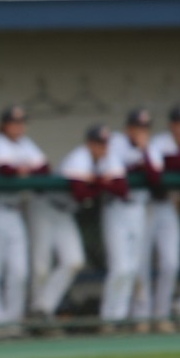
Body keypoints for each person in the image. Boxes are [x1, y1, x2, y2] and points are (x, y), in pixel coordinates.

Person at [50, 124, 127, 333]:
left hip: (65, 213)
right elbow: (80, 192)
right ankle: (39, 315)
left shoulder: (105, 159)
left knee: (73, 261)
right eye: (98, 144)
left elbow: (121, 188)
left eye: (105, 144)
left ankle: (43, 310)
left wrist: (98, 182)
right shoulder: (79, 157)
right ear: (89, 144)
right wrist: (103, 183)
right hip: (46, 207)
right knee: (38, 266)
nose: (102, 149)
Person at [0, 105, 50, 336]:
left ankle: (12, 323)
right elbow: (5, 169)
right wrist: (21, 170)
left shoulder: (25, 144)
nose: (18, 127)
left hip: (15, 210)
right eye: (13, 123)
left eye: (21, 122)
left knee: (19, 271)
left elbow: (44, 168)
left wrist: (22, 171)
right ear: (4, 125)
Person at [107, 108, 164, 331]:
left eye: (145, 128)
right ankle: (109, 318)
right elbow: (117, 178)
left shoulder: (152, 147)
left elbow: (155, 178)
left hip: (139, 209)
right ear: (128, 129)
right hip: (116, 208)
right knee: (120, 267)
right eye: (137, 128)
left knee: (133, 267)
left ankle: (120, 318)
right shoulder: (115, 142)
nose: (141, 132)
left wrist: (145, 151)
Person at [138, 101, 180, 332]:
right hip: (147, 205)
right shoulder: (159, 142)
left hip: (169, 204)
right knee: (143, 261)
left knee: (170, 262)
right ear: (171, 125)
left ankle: (161, 314)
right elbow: (155, 175)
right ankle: (141, 316)